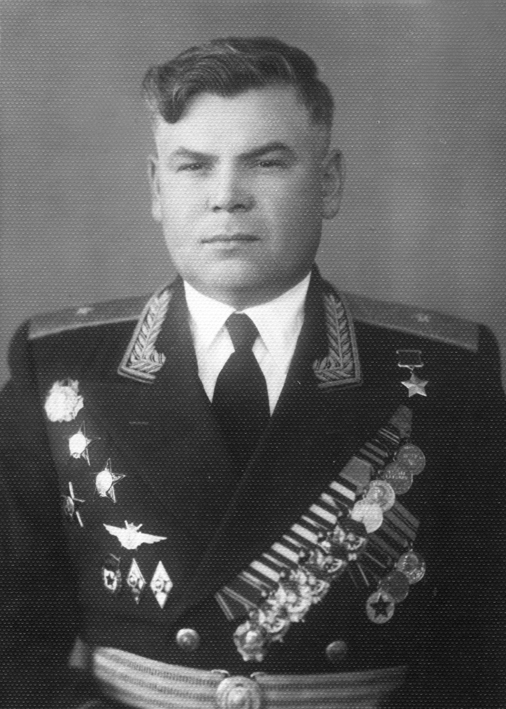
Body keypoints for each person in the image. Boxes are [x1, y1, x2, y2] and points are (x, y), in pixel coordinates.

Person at [0, 36, 504, 709]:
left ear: (328, 182)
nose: (227, 197)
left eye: (266, 163)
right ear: (157, 187)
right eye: (194, 167)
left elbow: (484, 644)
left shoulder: (448, 374)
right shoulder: (60, 368)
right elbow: (11, 641)